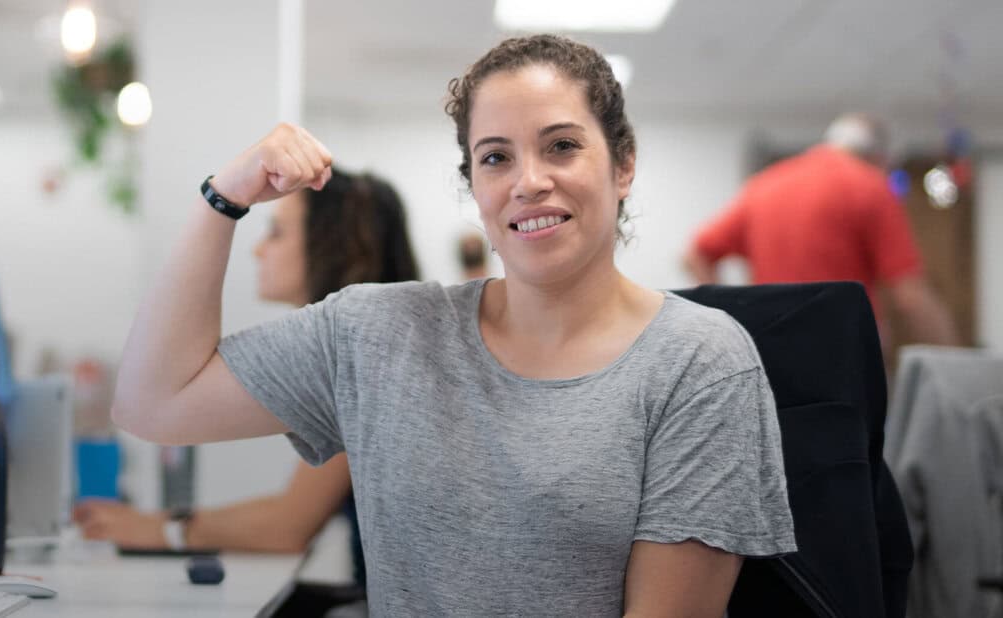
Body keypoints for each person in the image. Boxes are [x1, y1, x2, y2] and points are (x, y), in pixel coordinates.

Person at [113, 34, 795, 616]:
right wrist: (224, 199)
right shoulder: (379, 333)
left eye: (560, 146)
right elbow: (152, 402)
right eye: (496, 157)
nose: (528, 181)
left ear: (623, 164)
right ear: (475, 185)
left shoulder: (699, 361)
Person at [76, 168, 418, 587]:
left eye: (275, 233)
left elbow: (288, 525)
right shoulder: (374, 344)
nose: (257, 251)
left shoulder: (376, 355)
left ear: (333, 245)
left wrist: (158, 529)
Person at [683, 113, 959, 351]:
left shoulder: (765, 185)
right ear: (880, 156)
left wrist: (731, 327)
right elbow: (909, 296)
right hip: (841, 352)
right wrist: (953, 363)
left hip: (768, 349)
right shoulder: (870, 186)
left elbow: (695, 255)